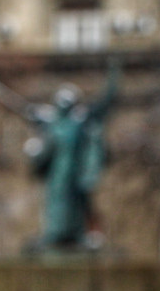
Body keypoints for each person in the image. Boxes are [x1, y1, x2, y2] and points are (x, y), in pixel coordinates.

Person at [25, 62, 120, 248]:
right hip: (57, 172)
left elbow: (105, 104)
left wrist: (114, 75)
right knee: (55, 202)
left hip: (75, 170)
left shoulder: (78, 124)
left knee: (75, 203)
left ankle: (76, 234)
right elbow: (44, 145)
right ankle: (54, 233)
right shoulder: (52, 124)